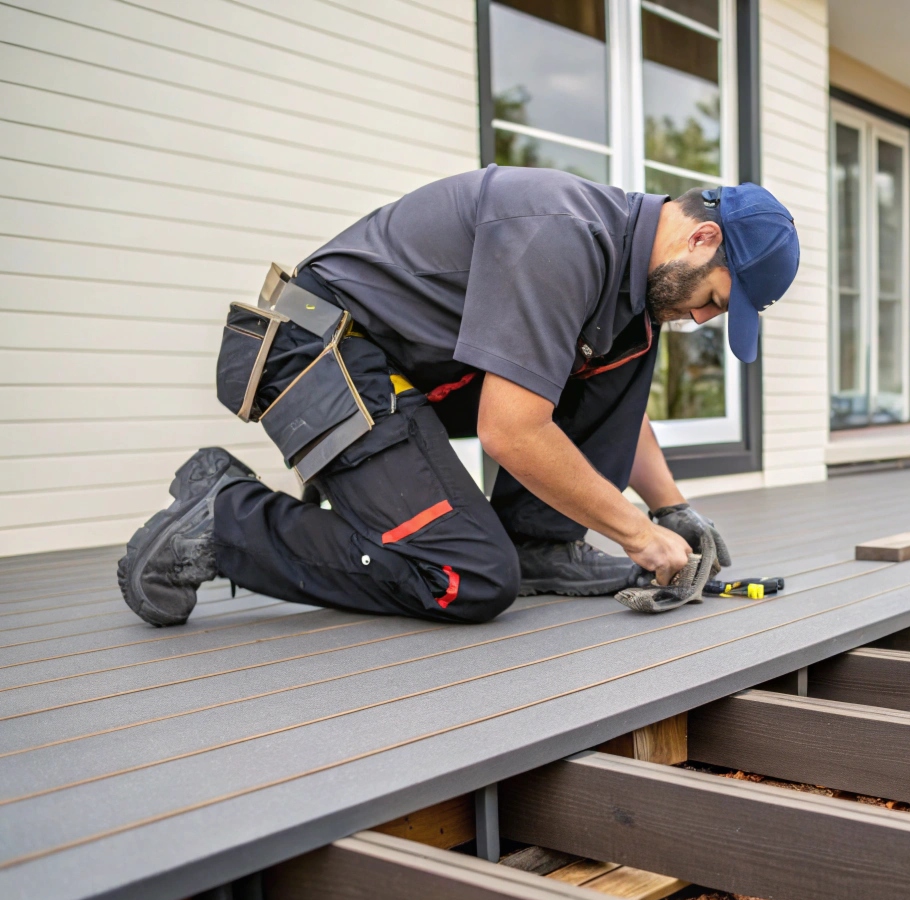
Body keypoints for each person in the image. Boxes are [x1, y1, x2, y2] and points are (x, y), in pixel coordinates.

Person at [116, 168, 799, 627]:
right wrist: (636, 535)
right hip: (324, 351)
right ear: (702, 238)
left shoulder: (624, 271)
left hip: (415, 366)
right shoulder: (562, 235)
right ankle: (225, 520)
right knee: (467, 575)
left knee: (631, 346)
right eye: (714, 301)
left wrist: (671, 506)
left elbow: (613, 406)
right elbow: (513, 433)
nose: (703, 320)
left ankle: (539, 544)